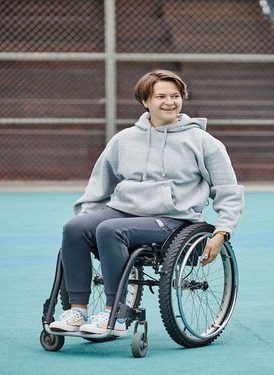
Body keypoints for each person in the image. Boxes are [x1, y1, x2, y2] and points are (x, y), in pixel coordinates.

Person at [49, 69, 244, 336]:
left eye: (175, 96)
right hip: (123, 210)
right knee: (75, 227)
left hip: (173, 219)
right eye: (161, 96)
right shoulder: (124, 139)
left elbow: (228, 190)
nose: (170, 102)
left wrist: (222, 231)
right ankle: (77, 310)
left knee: (110, 230)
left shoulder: (203, 141)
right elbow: (98, 185)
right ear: (145, 101)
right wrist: (87, 222)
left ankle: (115, 315)